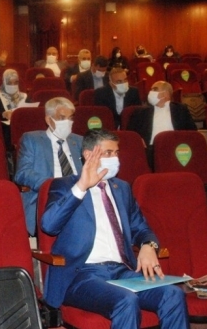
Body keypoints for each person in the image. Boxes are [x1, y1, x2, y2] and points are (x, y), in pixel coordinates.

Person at [41, 129, 189, 328]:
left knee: (173, 294)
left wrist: (148, 246)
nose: (115, 158)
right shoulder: (65, 186)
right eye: (108, 153)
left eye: (117, 153)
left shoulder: (122, 188)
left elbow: (141, 228)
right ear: (88, 155)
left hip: (121, 271)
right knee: (126, 300)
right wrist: (82, 186)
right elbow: (49, 225)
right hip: (82, 275)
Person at [14, 97, 83, 235]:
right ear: (48, 119)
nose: (67, 122)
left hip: (80, 199)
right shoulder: (32, 139)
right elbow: (22, 173)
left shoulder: (79, 141)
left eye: (70, 118)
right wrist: (53, 185)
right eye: (62, 118)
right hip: (48, 198)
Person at [128, 81, 196, 146]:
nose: (150, 92)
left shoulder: (180, 110)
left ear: (166, 94)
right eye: (151, 90)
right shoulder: (141, 112)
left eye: (155, 89)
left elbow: (192, 132)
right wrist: (139, 140)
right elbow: (131, 133)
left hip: (175, 147)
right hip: (151, 148)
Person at [0, 69, 29, 148]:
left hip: (23, 126)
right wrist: (3, 114)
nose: (13, 85)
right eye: (9, 83)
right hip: (6, 129)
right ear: (4, 82)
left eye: (15, 83)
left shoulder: (25, 96)